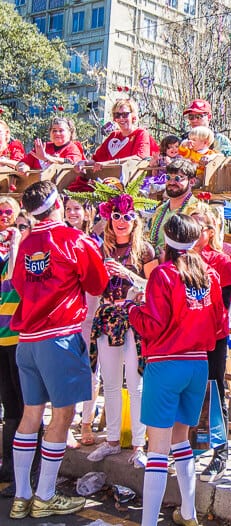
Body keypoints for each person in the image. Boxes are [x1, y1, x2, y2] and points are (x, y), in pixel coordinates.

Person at [9, 181, 109, 519]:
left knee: (31, 414)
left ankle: (23, 496)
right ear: (58, 204)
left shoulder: (25, 244)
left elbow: (20, 284)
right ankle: (45, 495)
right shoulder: (75, 240)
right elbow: (97, 282)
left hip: (28, 340)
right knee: (63, 416)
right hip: (60, 337)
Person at [128, 214, 223, 526]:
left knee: (157, 449)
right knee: (181, 441)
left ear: (166, 240)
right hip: (197, 364)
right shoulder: (208, 274)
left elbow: (152, 325)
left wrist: (132, 310)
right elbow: (219, 323)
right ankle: (189, 513)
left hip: (165, 363)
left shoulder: (163, 274)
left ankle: (149, 523)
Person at [85, 184, 158, 468]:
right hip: (107, 320)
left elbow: (154, 287)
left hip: (134, 321)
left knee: (135, 385)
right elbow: (92, 285)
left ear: (135, 220)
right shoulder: (101, 248)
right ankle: (112, 440)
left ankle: (139, 444)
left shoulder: (145, 250)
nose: (121, 221)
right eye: (116, 215)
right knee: (111, 384)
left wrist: (127, 273)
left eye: (127, 216)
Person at [191, 203, 231, 482]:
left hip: (212, 336)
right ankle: (196, 448)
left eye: (199, 226)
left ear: (210, 231)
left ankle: (220, 452)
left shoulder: (221, 260)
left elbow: (225, 303)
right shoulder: (179, 257)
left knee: (214, 392)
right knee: (192, 394)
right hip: (184, 338)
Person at [63, 195, 101, 447]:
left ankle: (86, 421)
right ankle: (64, 423)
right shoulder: (60, 237)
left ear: (88, 212)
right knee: (65, 369)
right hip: (68, 312)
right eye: (68, 208)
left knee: (91, 370)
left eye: (77, 208)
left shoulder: (97, 241)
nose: (72, 213)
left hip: (93, 310)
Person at [0, 201, 28, 484]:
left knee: (27, 407)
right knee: (10, 407)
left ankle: (28, 474)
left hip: (21, 339)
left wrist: (17, 243)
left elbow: (16, 279)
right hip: (2, 339)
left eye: (21, 226)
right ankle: (8, 469)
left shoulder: (28, 256)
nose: (14, 229)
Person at [75, 99, 151, 182]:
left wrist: (110, 163)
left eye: (125, 114)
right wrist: (84, 163)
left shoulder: (141, 133)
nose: (121, 118)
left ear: (133, 116)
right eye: (117, 115)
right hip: (108, 181)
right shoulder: (113, 136)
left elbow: (140, 157)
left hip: (130, 181)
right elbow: (97, 160)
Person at [15, 118, 85, 193]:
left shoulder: (73, 148)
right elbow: (23, 162)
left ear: (70, 132)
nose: (57, 133)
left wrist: (47, 158)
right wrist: (23, 167)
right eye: (54, 130)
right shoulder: (43, 147)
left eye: (61, 130)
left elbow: (71, 162)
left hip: (62, 192)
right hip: (37, 191)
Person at [147, 158, 200, 254]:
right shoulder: (160, 210)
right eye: (168, 178)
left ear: (192, 182)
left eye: (178, 178)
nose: (171, 182)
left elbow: (198, 248)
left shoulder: (197, 211)